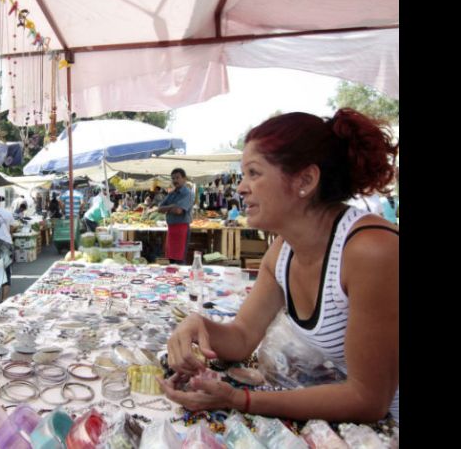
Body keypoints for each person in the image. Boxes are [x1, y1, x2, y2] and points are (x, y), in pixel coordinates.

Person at [159, 109, 399, 424]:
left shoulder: (372, 251)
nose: (241, 188)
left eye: (254, 173)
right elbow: (243, 336)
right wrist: (199, 326)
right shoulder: (282, 251)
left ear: (306, 180)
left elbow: (368, 400)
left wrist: (241, 399)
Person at [156, 168, 194, 264]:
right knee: (170, 259)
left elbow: (178, 211)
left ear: (184, 179)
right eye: (173, 178)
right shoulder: (171, 194)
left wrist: (169, 208)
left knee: (180, 260)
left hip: (182, 229)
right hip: (171, 229)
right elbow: (159, 209)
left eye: (177, 178)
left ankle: (181, 278)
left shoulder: (188, 193)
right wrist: (172, 206)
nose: (175, 181)